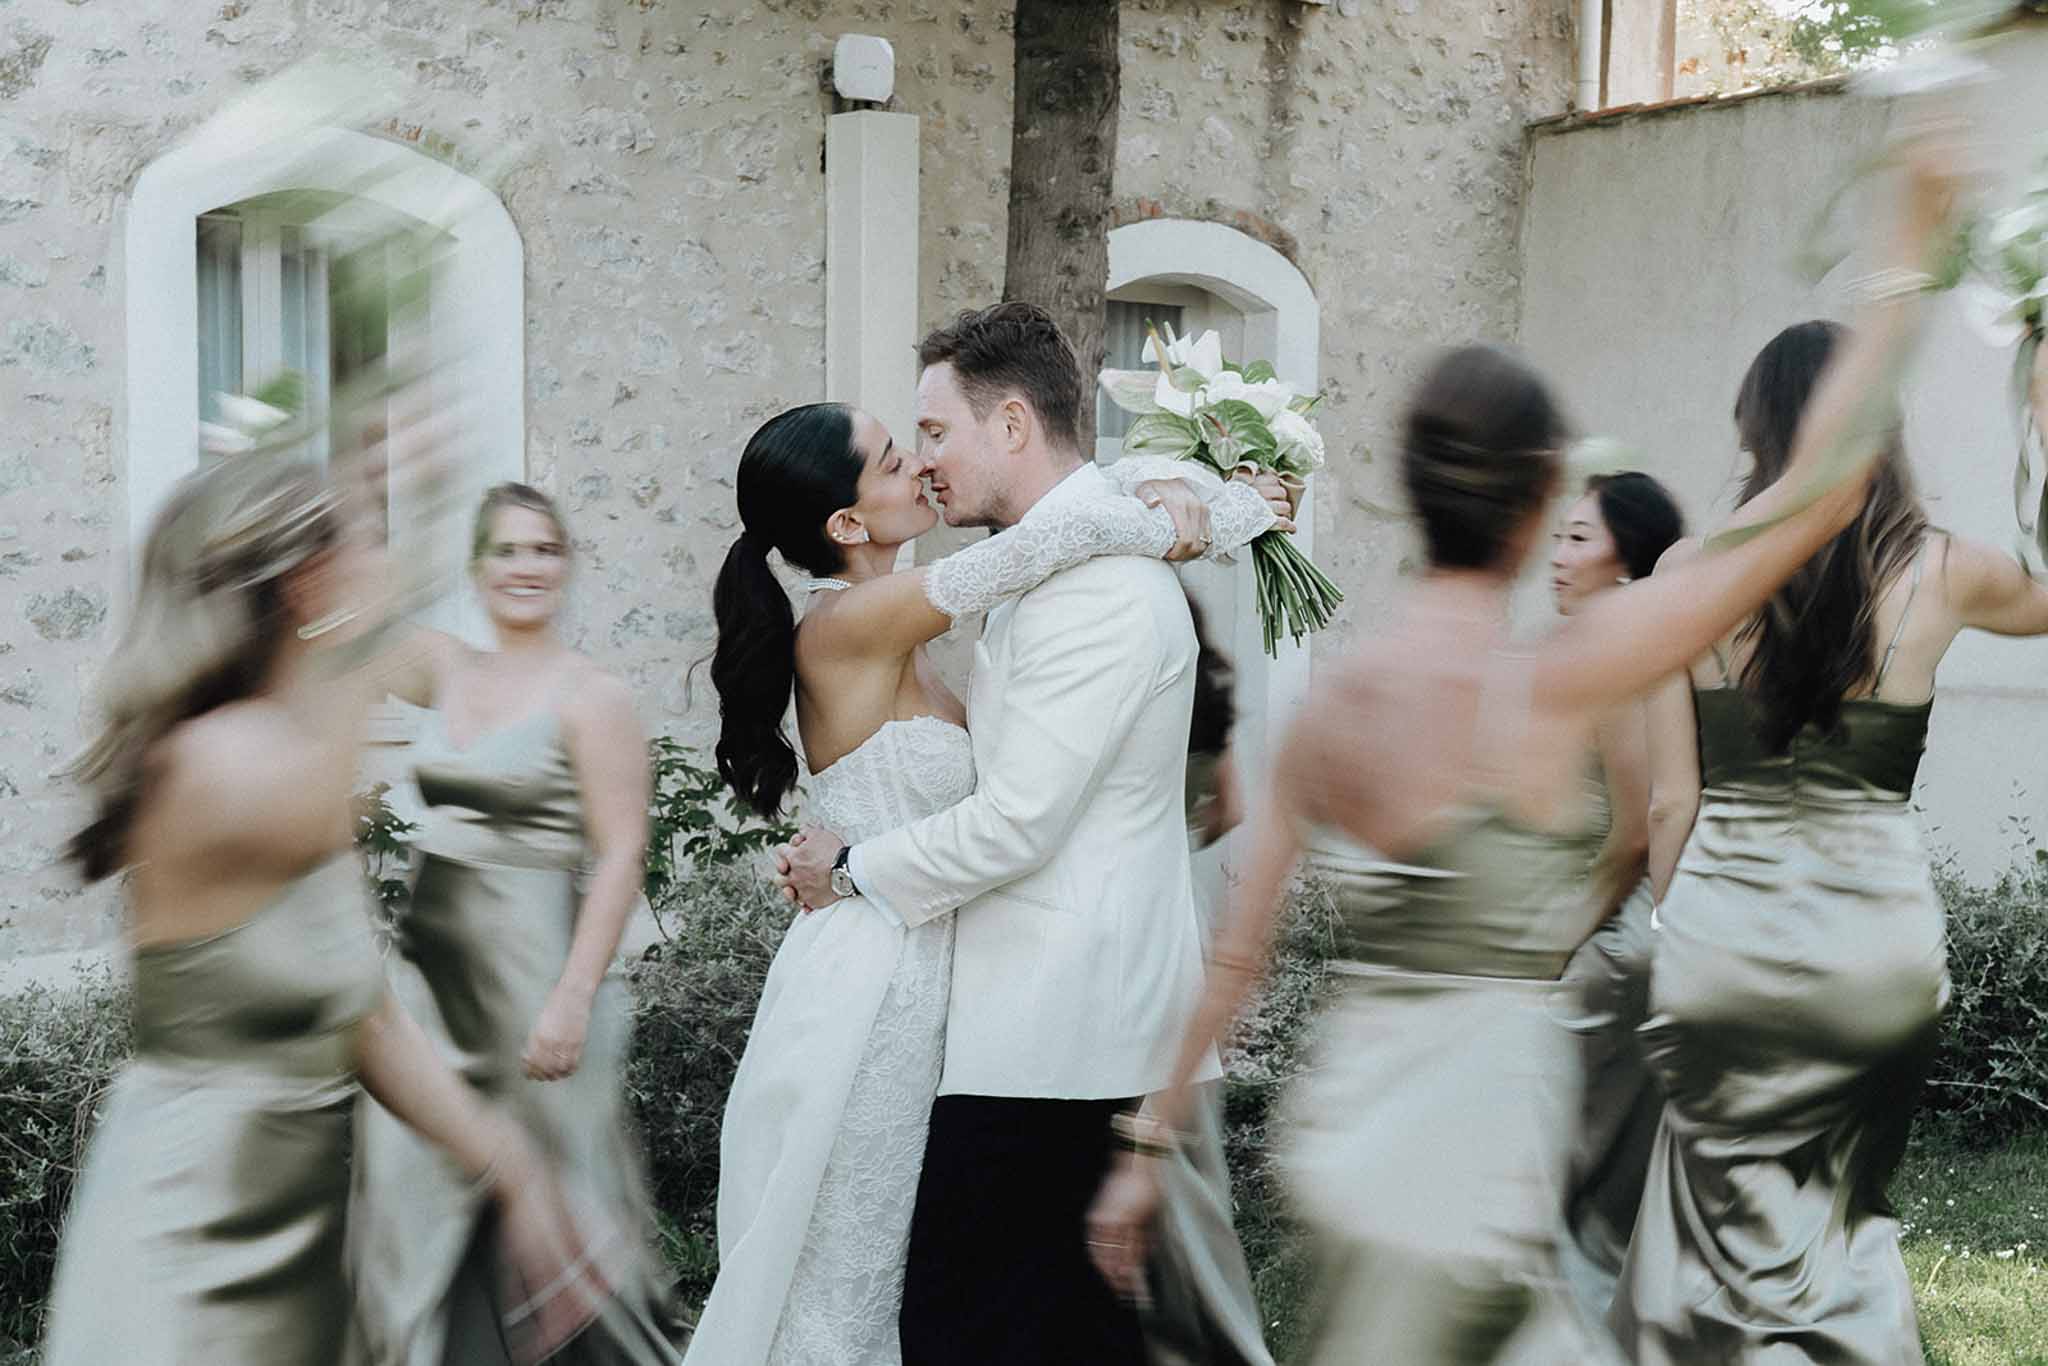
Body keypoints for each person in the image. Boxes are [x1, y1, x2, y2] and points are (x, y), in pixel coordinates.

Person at [1084, 136, 1965, 1366]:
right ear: (1543, 493)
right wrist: (1904, 254)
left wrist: (1145, 1148)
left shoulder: (1338, 701)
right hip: (1475, 1151)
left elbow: (1235, 956)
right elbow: (1824, 494)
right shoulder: (1554, 685)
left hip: (1352, 1137)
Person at [694, 371, 1288, 1365]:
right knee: (850, 1276)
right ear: (847, 519)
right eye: (895, 457)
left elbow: (1053, 525)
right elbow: (1045, 541)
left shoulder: (892, 620)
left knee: (901, 1275)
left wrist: (1162, 484)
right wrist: (1223, 509)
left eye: (922, 439)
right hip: (870, 987)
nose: (920, 465)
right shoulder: (850, 621)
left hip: (927, 965)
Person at [42, 457, 603, 1366]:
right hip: (191, 1233)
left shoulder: (286, 748)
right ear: (308, 580)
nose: (388, 565)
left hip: (297, 1234)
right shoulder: (216, 763)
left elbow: (366, 1014)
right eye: (369, 540)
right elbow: (337, 783)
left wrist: (513, 1169)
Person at [1611, 319, 2048, 1365]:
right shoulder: (1945, 569)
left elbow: (1669, 805)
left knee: (1711, 1228)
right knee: (1839, 1219)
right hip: (1874, 946)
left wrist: (1687, 933)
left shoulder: (1684, 569)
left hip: (1720, 932)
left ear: (1757, 431)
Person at [351, 482, 688, 1365]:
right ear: (474, 566)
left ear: (566, 565)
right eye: (506, 549)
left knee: (560, 1216)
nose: (527, 566)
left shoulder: (591, 695)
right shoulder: (444, 665)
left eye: (544, 548)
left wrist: (573, 999)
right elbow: (338, 631)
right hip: (426, 986)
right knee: (411, 1204)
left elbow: (620, 854)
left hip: (535, 981)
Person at [1546, 470, 1686, 1320]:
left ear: (1626, 558)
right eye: (1558, 536)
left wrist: (1551, 950)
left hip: (1609, 945)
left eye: (1577, 539)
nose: (1556, 557)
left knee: (1582, 1194)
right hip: (1592, 926)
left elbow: (1633, 833)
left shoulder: (1617, 644)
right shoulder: (1602, 639)